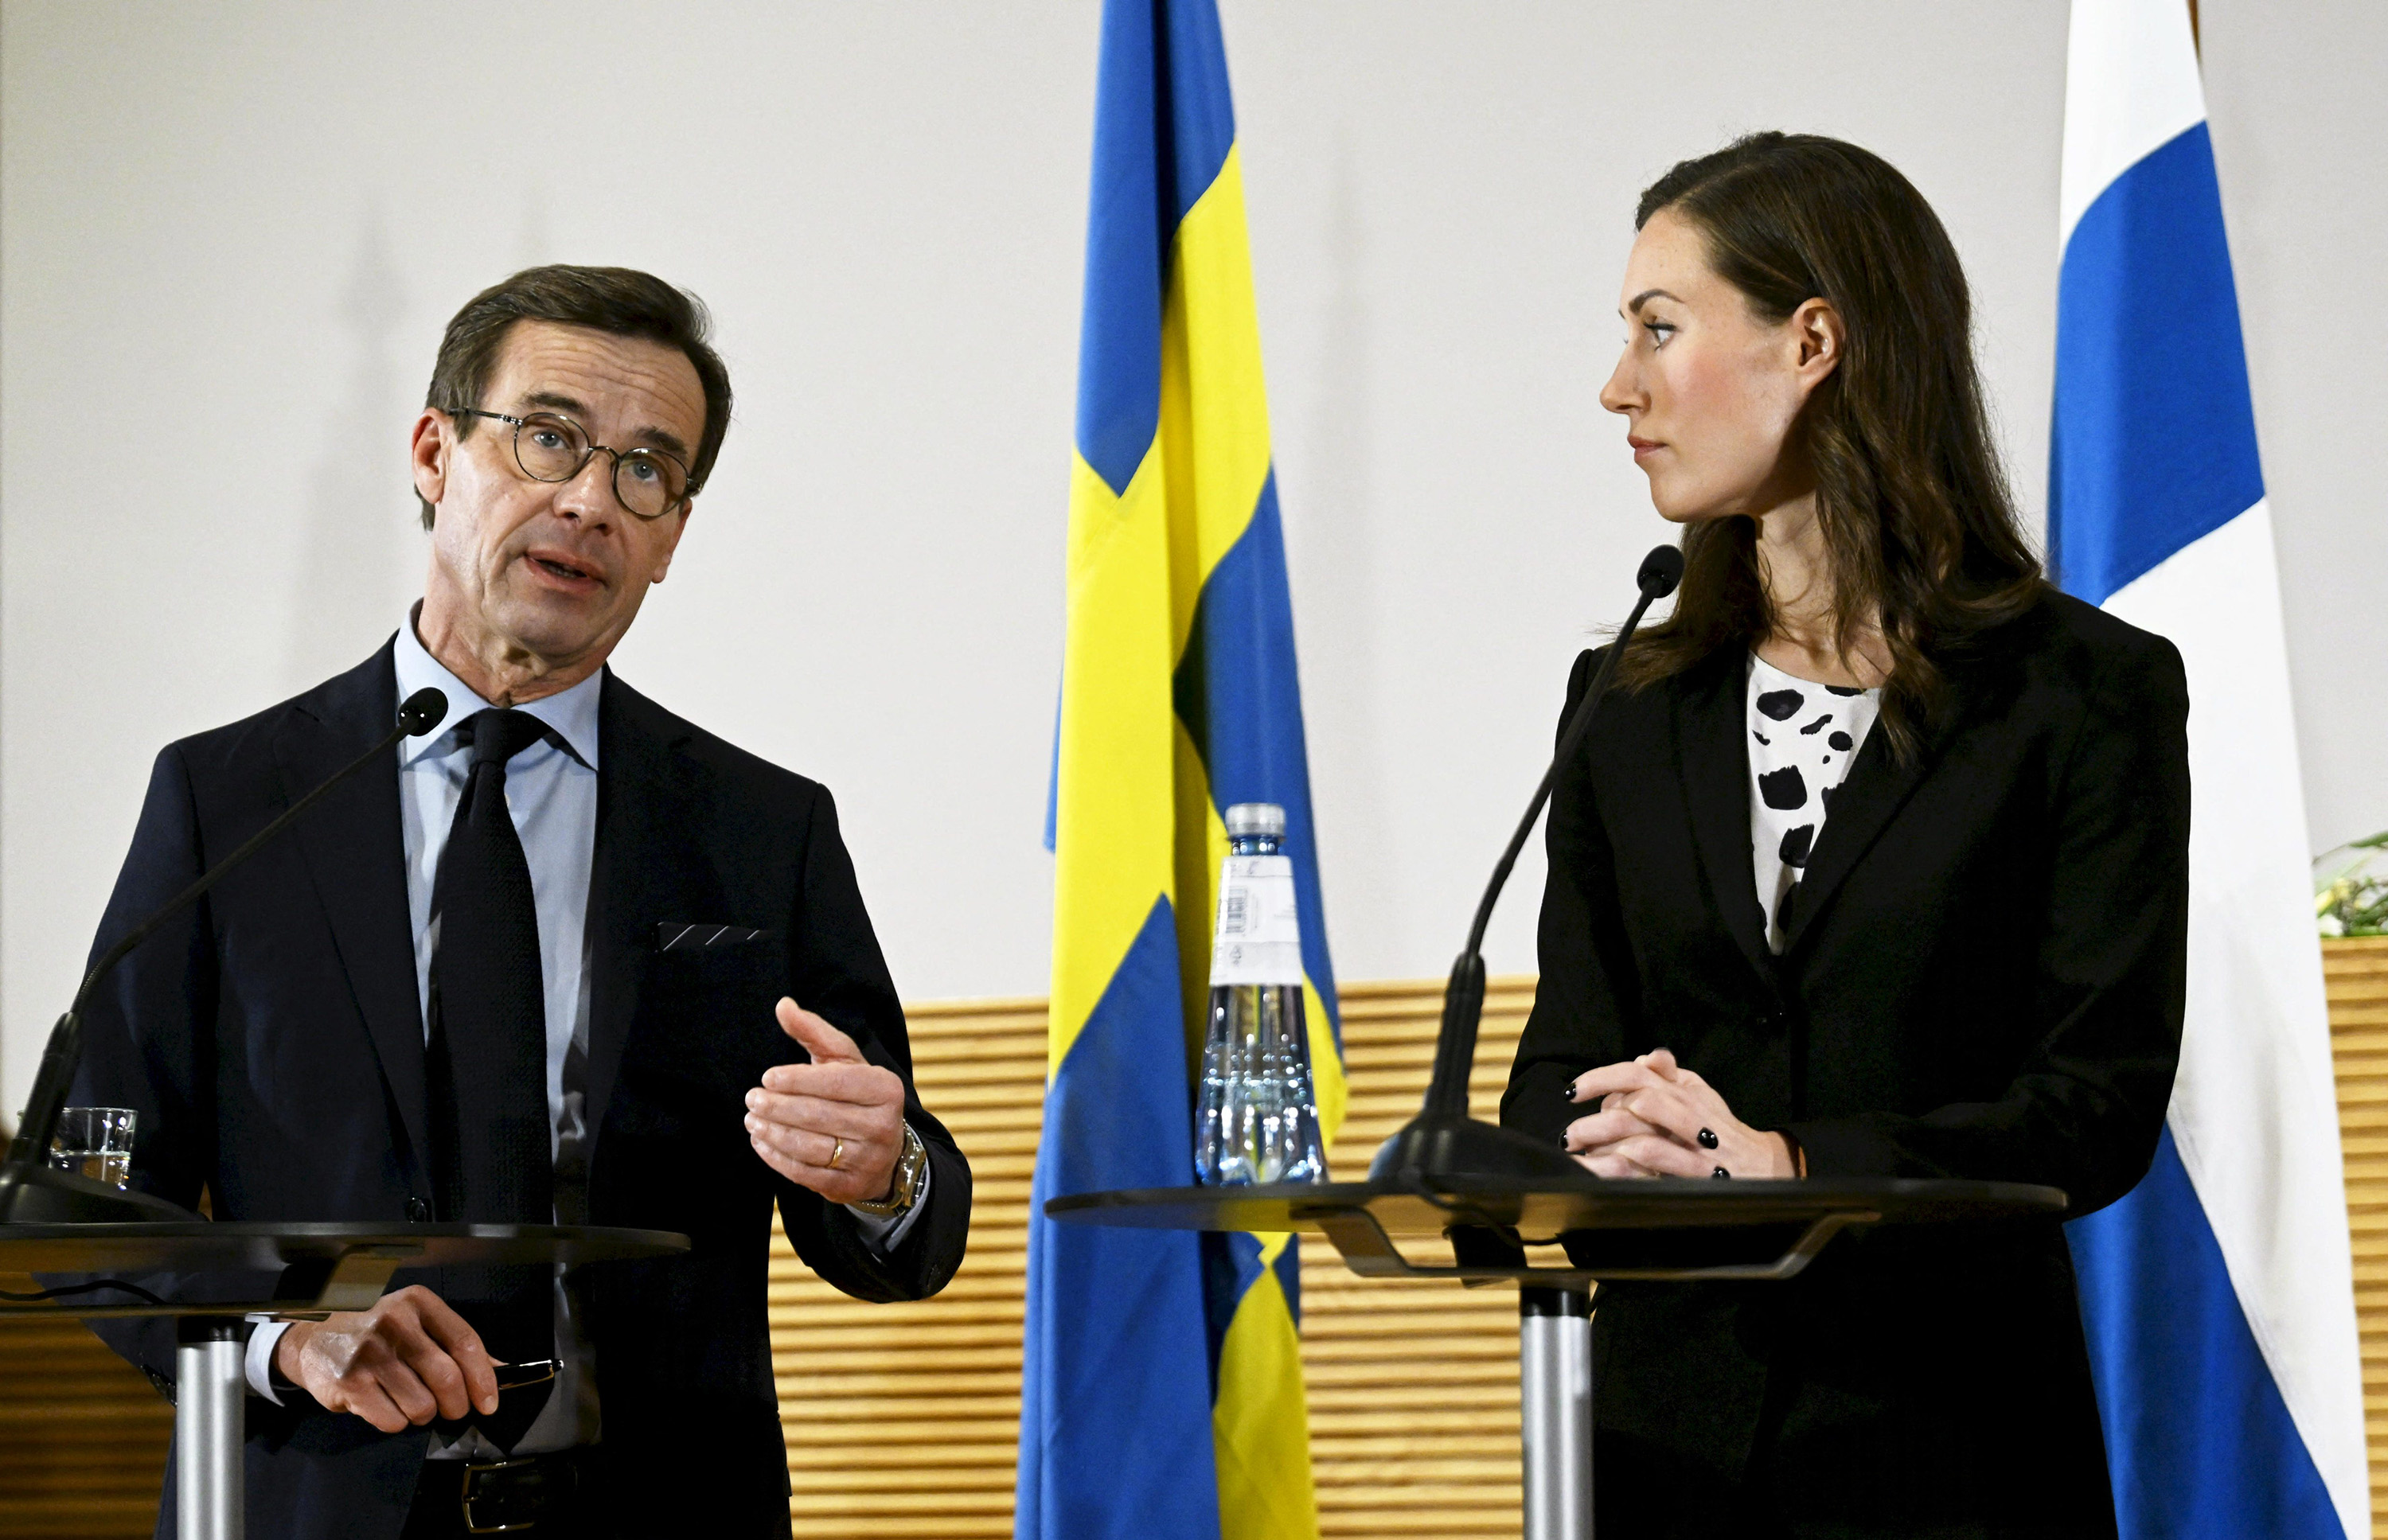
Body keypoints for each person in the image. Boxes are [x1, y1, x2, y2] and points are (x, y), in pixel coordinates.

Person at [72, 266, 971, 1538]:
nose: (590, 499)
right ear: (436, 452)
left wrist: (887, 1175)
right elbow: (85, 1199)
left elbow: (902, 1208)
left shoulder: (765, 832)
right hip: (311, 1502)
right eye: (548, 437)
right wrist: (282, 1333)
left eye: (646, 470)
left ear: (672, 536)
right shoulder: (229, 802)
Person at [1500, 134, 2188, 1537]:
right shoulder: (1625, 706)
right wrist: (1604, 1138)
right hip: (1656, 1458)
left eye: (1659, 328)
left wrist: (1789, 1167)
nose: (1617, 386)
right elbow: (1556, 1075)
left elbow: (2093, 1110)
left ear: (1812, 340)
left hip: (1951, 1448)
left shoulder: (2085, 695)